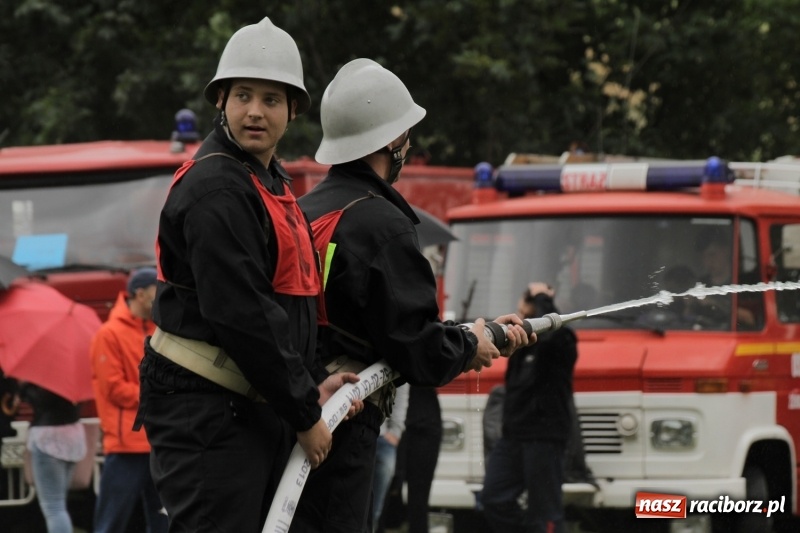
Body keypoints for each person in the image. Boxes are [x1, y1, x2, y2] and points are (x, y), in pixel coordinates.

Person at [135, 17, 358, 533]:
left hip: (247, 408)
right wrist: (304, 411)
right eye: (242, 96)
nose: (255, 111)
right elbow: (244, 316)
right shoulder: (218, 188)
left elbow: (283, 310)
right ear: (221, 102)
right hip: (209, 416)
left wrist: (308, 388)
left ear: (294, 110)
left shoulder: (266, 179)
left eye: (272, 99)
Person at [293, 58, 532, 533]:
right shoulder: (382, 224)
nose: (408, 144)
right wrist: (472, 346)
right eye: (404, 133)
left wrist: (468, 334)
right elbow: (416, 346)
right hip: (346, 423)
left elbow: (375, 322)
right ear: (388, 143)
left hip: (296, 414)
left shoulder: (304, 211)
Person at [481, 282, 578, 533]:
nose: (522, 312)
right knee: (493, 499)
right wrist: (527, 310)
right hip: (513, 437)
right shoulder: (521, 347)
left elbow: (552, 333)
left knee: (545, 513)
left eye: (529, 307)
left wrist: (542, 298)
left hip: (545, 439)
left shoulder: (562, 340)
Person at [90, 267, 167, 533]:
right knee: (112, 522)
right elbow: (113, 389)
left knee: (164, 522)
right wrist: (159, 395)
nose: (162, 297)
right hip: (126, 447)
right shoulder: (109, 334)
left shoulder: (160, 331)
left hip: (158, 442)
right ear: (140, 293)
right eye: (157, 291)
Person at [17, 382, 86, 533]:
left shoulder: (44, 380)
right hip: (73, 435)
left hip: (48, 438)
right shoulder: (75, 376)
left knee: (54, 508)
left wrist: (24, 388)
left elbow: (42, 401)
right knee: (60, 503)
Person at [372, 382, 409, 531]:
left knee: (375, 512)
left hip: (382, 439)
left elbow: (401, 387)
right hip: (360, 435)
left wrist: (395, 432)